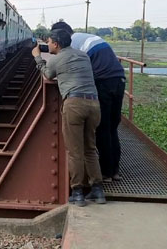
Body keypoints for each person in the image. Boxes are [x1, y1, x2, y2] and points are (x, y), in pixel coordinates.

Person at [32, 29, 106, 206]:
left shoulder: (57, 59)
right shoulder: (83, 56)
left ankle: (78, 192)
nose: (47, 44)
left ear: (56, 44)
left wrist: (37, 57)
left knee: (75, 151)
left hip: (74, 104)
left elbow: (47, 74)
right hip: (94, 104)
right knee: (90, 148)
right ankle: (98, 190)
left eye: (49, 42)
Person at [51, 21, 126, 182]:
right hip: (119, 80)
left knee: (102, 128)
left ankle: (106, 173)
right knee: (113, 128)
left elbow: (72, 66)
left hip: (103, 82)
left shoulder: (73, 44)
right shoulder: (86, 37)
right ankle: (115, 171)